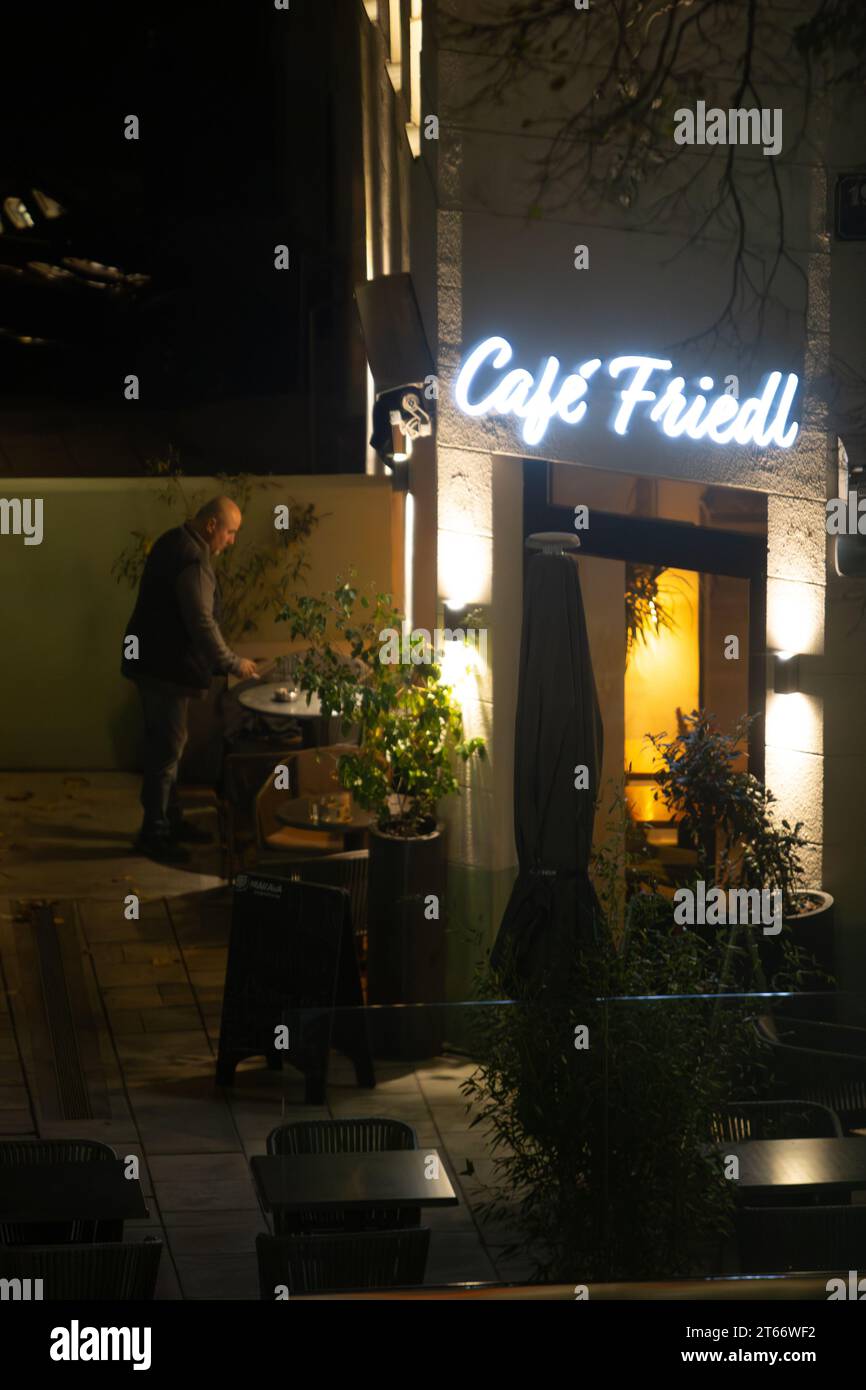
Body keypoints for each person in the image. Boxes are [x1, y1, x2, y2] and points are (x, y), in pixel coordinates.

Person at [121, 496, 259, 861]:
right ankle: (155, 834)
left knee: (167, 747)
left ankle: (169, 819)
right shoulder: (193, 559)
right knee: (166, 752)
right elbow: (201, 623)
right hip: (164, 670)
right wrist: (232, 663)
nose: (231, 541)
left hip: (151, 663)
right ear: (212, 525)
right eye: (230, 532)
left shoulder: (172, 540)